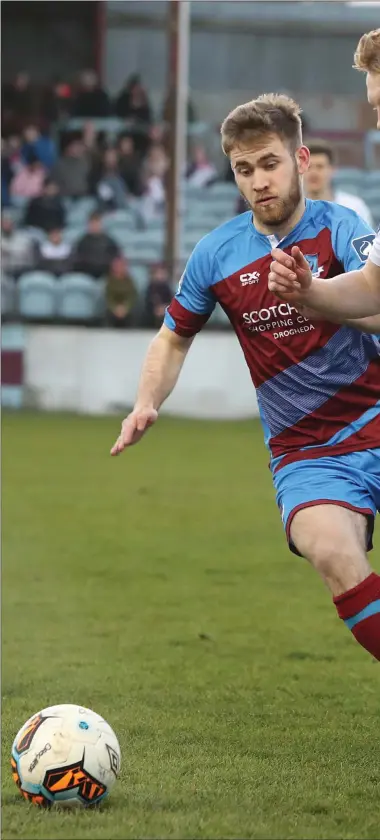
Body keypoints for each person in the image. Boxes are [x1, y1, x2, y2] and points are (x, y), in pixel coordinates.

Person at [110, 91, 380, 662]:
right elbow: (172, 337)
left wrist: (317, 297)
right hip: (305, 452)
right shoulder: (217, 253)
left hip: (375, 415)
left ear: (301, 161)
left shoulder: (342, 227)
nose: (258, 181)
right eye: (244, 169)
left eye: (270, 164)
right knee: (333, 553)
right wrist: (146, 400)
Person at [268, 28, 380, 320]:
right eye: (375, 108)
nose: (378, 123)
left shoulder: (353, 210)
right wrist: (309, 291)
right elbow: (372, 288)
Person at [304, 138, 373, 226]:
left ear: (333, 170)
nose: (313, 173)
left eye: (319, 167)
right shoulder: (291, 211)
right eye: (308, 167)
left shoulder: (353, 208)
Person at [74, 212, 119, 278]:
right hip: (87, 274)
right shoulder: (82, 242)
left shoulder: (109, 241)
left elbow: (115, 257)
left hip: (105, 273)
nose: (94, 226)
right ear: (88, 225)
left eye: (96, 223)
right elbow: (78, 259)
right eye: (92, 223)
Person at [105, 256, 137, 327]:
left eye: (121, 266)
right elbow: (108, 297)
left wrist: (125, 308)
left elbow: (132, 296)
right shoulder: (110, 281)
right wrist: (115, 308)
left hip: (126, 309)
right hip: (113, 309)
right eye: (117, 266)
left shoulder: (129, 281)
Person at [144, 263, 173, 328]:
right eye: (159, 273)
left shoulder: (167, 288)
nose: (161, 276)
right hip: (151, 316)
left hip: (165, 313)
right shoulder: (150, 288)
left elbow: (171, 302)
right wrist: (155, 309)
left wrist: (164, 308)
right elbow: (148, 303)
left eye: (163, 273)